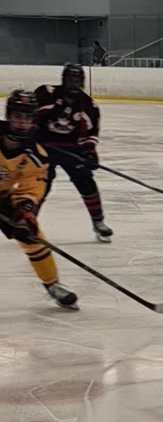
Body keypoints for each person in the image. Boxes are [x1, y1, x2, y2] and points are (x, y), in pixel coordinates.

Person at [0, 91, 78, 309]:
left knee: (32, 236)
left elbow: (30, 187)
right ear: (8, 116)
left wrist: (25, 211)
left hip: (2, 196)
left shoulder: (35, 154)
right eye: (17, 116)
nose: (22, 122)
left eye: (27, 117)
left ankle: (52, 285)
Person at [34, 64, 112, 243]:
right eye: (71, 79)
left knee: (86, 181)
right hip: (44, 146)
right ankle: (29, 221)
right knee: (40, 183)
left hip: (71, 149)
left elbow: (91, 133)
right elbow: (33, 116)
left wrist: (90, 152)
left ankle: (98, 222)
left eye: (78, 80)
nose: (74, 83)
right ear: (63, 80)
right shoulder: (46, 93)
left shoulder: (89, 105)